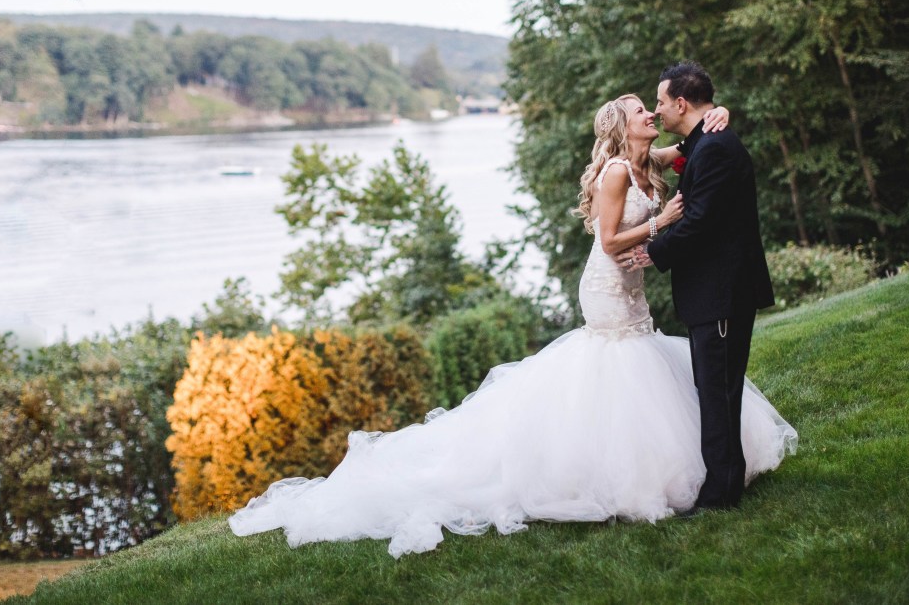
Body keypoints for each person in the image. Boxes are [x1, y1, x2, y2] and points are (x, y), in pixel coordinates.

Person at [229, 92, 797, 558]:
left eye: (652, 107)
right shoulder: (617, 172)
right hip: (606, 285)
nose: (649, 111)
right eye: (637, 109)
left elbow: (698, 140)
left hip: (633, 284)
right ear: (621, 126)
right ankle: (602, 473)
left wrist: (720, 115)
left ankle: (681, 468)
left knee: (640, 362)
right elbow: (606, 241)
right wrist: (662, 223)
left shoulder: (652, 161)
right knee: (616, 365)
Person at [626, 61, 777, 512]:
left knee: (718, 393)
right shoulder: (704, 143)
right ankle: (725, 481)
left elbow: (701, 221)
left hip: (722, 293)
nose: (656, 110)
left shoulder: (712, 148)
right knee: (715, 390)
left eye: (659, 101)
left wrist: (655, 251)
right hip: (717, 292)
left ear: (681, 103)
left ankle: (721, 492)